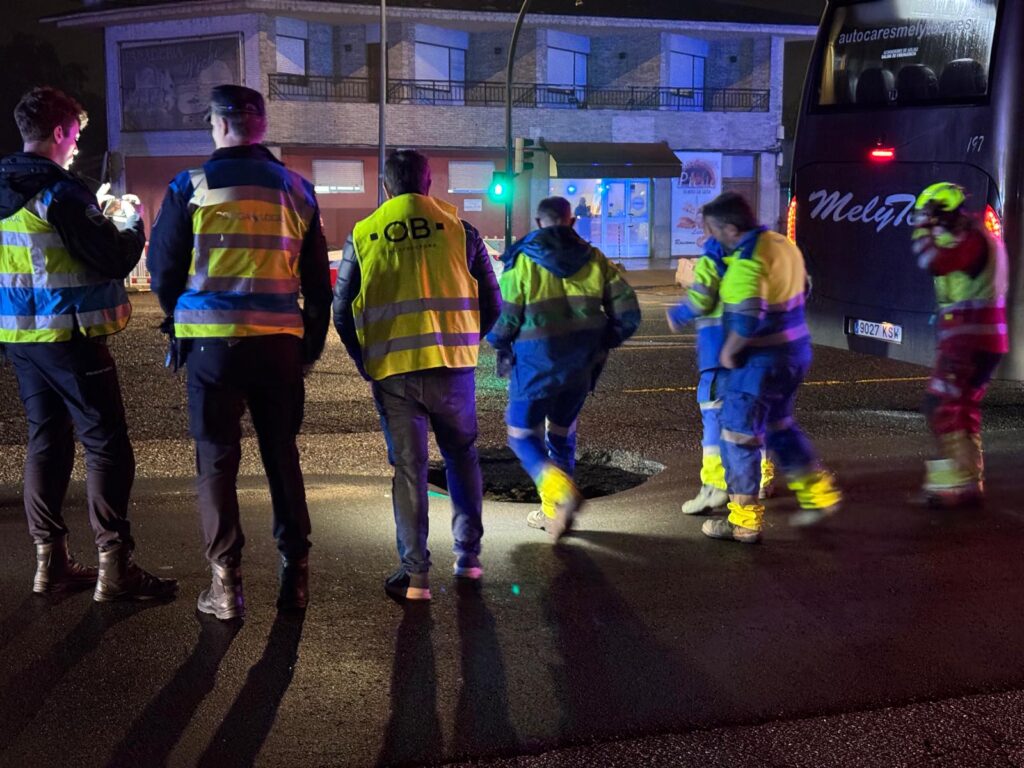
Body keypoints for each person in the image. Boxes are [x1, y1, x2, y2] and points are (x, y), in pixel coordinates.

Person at [148, 85, 332, 619]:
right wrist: (308, 345)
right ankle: (295, 575)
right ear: (261, 126)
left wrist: (180, 318)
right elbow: (317, 284)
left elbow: (163, 271)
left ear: (220, 125)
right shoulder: (297, 189)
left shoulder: (190, 185)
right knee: (281, 455)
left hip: (212, 346)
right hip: (279, 345)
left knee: (216, 460)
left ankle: (225, 585)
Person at [0, 86, 177, 600]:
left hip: (21, 338)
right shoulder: (59, 192)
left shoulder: (7, 185)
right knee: (107, 446)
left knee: (46, 441)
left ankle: (50, 562)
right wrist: (127, 219)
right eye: (75, 136)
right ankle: (115, 567)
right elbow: (113, 257)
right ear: (58, 132)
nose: (76, 146)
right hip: (71, 336)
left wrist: (92, 213)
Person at [333, 149, 501, 602]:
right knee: (462, 457)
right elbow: (493, 302)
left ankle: (416, 578)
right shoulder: (461, 231)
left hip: (394, 373)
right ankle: (469, 559)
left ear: (386, 187)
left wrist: (365, 361)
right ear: (428, 184)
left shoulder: (364, 234)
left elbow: (342, 310)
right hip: (452, 367)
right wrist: (466, 341)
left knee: (410, 470)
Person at [487, 196, 640, 540]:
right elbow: (629, 315)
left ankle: (562, 494)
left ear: (538, 223)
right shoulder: (596, 259)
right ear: (571, 222)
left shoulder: (523, 260)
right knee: (561, 434)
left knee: (521, 435)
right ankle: (553, 513)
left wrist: (496, 341)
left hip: (535, 366)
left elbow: (505, 320)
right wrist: (600, 343)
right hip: (580, 369)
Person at [691, 192, 841, 544]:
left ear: (730, 229)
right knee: (779, 426)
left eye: (712, 230)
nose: (710, 237)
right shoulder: (783, 245)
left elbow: (746, 317)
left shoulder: (746, 261)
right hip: (794, 354)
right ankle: (817, 494)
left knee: (737, 437)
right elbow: (804, 287)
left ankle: (743, 523)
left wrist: (729, 354)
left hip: (757, 364)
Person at [910, 182, 1008, 506]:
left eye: (931, 217)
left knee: (941, 406)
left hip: (968, 340)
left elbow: (933, 262)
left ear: (943, 214)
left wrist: (922, 229)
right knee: (963, 410)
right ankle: (968, 481)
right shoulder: (979, 236)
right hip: (984, 339)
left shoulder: (971, 240)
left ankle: (950, 485)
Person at [667, 234, 776, 516]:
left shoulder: (712, 259)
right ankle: (761, 478)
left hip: (718, 356)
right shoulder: (756, 258)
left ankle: (714, 485)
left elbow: (703, 297)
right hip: (755, 356)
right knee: (752, 416)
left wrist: (679, 310)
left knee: (714, 417)